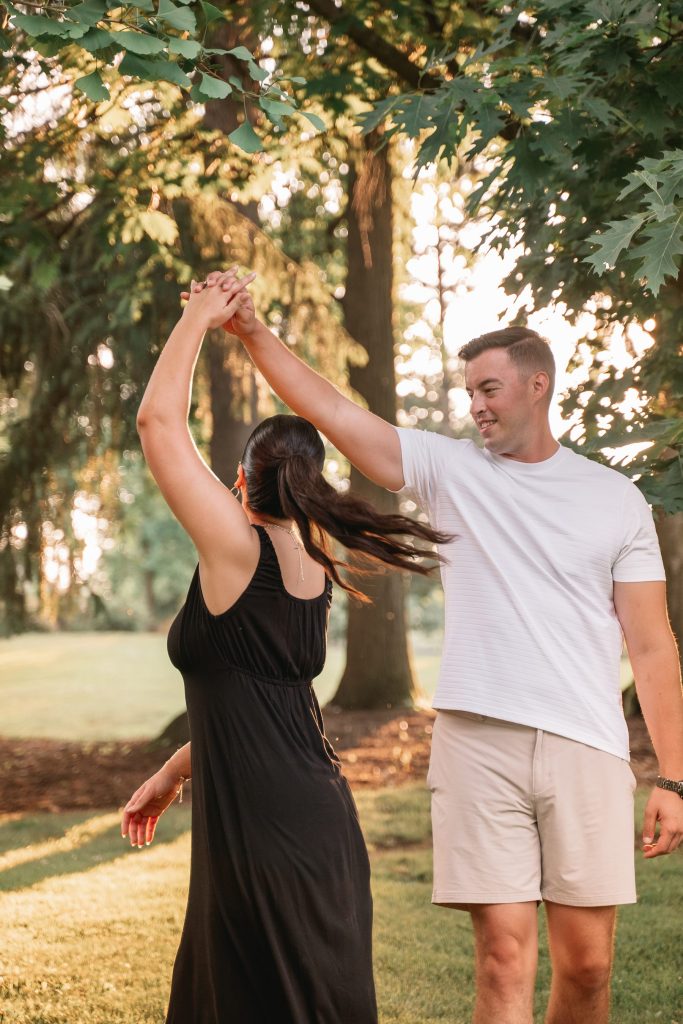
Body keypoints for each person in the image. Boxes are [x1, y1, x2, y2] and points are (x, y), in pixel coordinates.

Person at [195, 268, 683, 1024]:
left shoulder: (613, 499)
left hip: (586, 748)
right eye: (468, 393)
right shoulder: (450, 469)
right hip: (475, 744)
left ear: (537, 386)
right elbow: (329, 408)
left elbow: (651, 649)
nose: (475, 406)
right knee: (501, 959)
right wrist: (253, 332)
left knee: (587, 967)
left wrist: (673, 778)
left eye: (488, 389)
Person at [120, 268, 451, 1024]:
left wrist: (201, 317)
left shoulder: (238, 550)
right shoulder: (313, 564)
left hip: (265, 836)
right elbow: (260, 700)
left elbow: (157, 426)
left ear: (240, 481)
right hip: (313, 827)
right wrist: (175, 771)